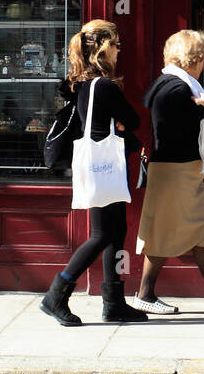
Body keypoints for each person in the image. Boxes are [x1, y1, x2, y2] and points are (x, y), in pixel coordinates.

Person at [130, 29, 204, 315]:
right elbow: (175, 126)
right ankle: (151, 294)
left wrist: (199, 107)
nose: (202, 66)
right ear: (192, 60)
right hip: (177, 169)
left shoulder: (166, 82)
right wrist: (203, 110)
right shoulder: (177, 88)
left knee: (193, 229)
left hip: (173, 168)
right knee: (188, 228)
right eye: (201, 59)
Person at [39, 19, 148, 325]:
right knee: (102, 234)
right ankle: (56, 295)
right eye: (114, 44)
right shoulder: (105, 86)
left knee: (116, 231)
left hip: (98, 166)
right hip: (105, 166)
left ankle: (113, 303)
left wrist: (122, 122)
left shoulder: (85, 84)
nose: (117, 50)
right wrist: (123, 122)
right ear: (101, 47)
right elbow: (132, 120)